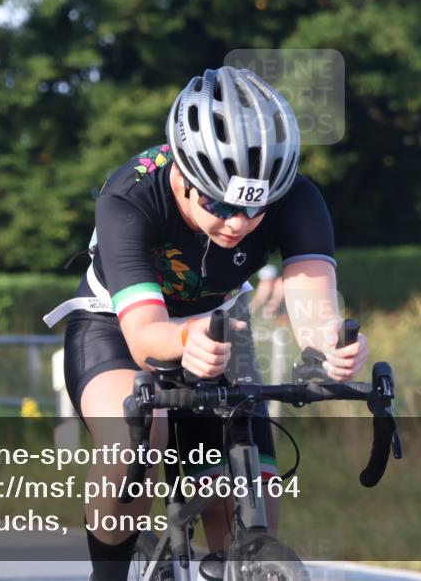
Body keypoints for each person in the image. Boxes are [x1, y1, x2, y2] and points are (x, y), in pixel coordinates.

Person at [44, 66, 368, 581]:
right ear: (181, 175)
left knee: (246, 500)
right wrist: (182, 339)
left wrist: (330, 344)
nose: (238, 223)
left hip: (218, 328)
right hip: (117, 327)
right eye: (219, 203)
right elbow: (147, 337)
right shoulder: (130, 196)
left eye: (256, 208)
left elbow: (314, 311)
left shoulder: (297, 197)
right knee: (137, 439)